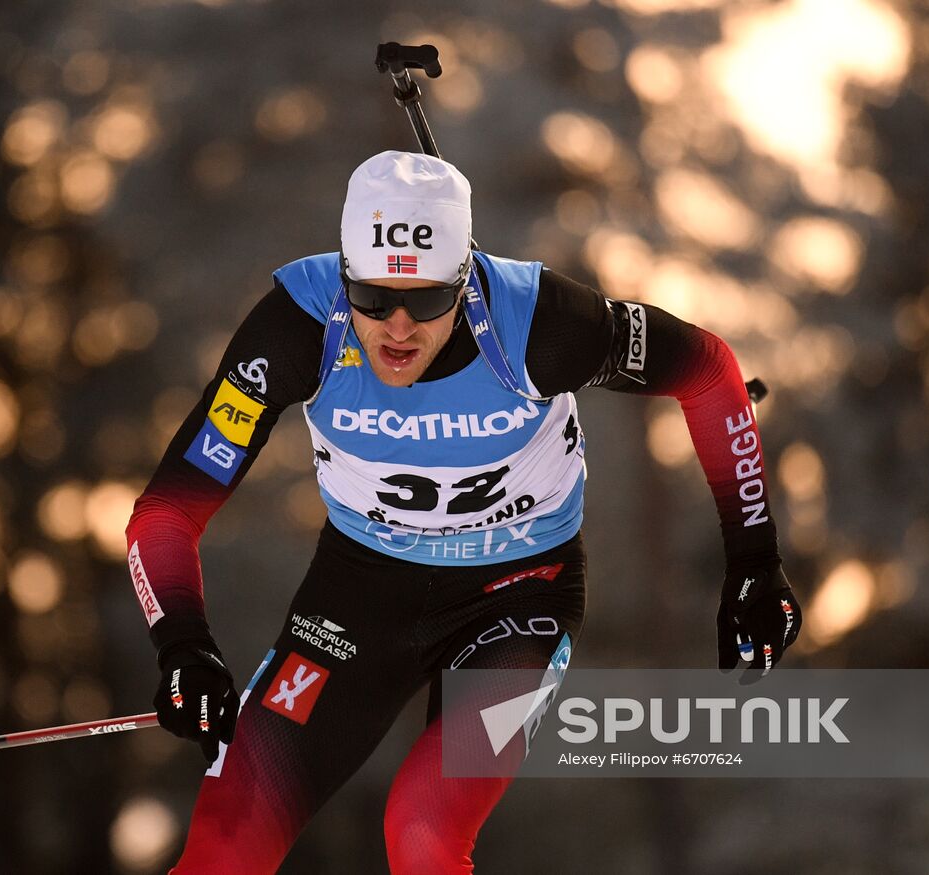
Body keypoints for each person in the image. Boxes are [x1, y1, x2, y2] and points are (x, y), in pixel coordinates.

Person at [125, 150, 802, 872]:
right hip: (361, 593)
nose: (397, 327)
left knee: (423, 829)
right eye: (373, 295)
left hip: (518, 593)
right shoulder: (298, 329)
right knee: (225, 844)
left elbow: (707, 370)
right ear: (344, 274)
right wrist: (184, 644)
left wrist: (755, 561)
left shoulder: (537, 324)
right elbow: (165, 514)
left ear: (466, 277)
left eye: (427, 300)